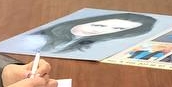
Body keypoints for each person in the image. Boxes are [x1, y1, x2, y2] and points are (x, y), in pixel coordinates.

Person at [26, 11, 158, 57]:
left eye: (117, 29)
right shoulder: (37, 38)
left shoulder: (85, 47)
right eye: (99, 25)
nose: (100, 30)